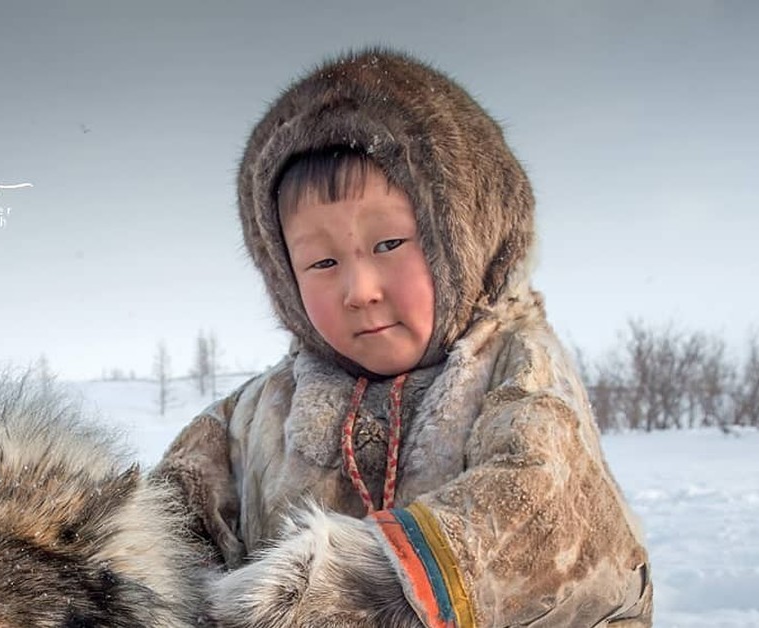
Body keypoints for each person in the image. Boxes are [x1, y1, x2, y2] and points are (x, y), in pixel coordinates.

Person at [153, 48, 653, 627]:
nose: (358, 289)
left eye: (389, 245)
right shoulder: (249, 419)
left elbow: (543, 516)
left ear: (466, 235)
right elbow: (162, 528)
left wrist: (346, 592)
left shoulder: (520, 373)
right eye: (320, 263)